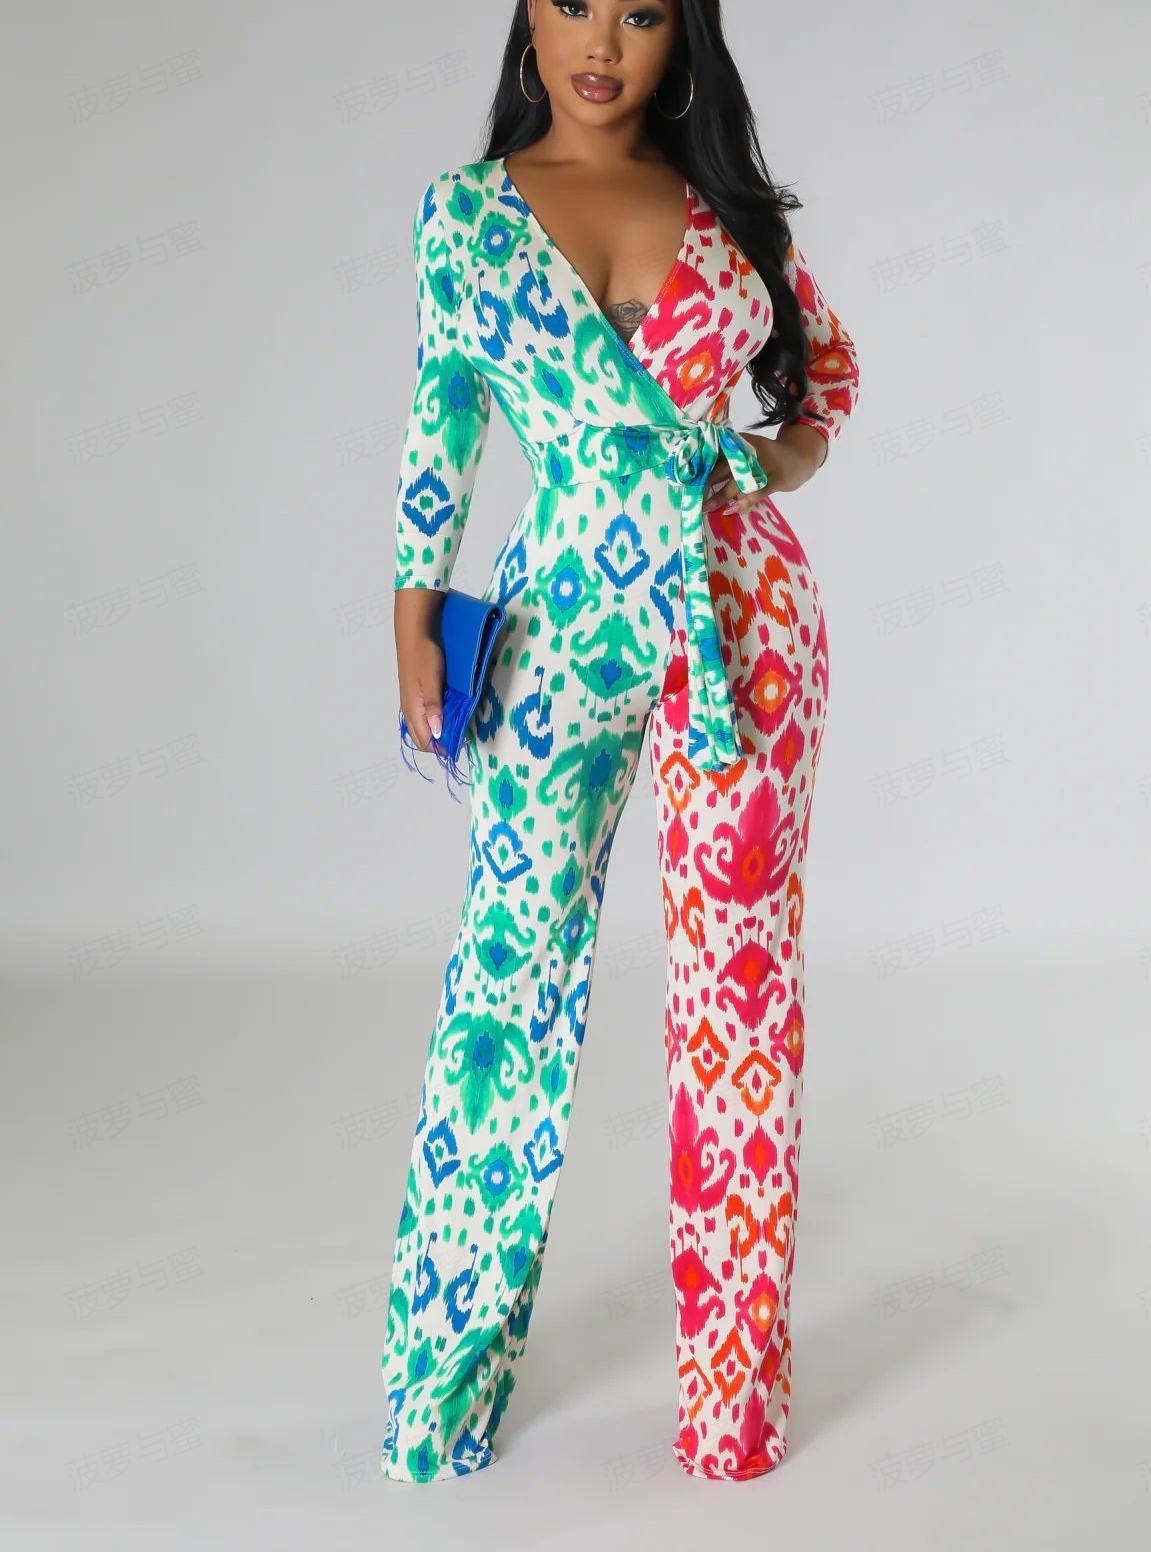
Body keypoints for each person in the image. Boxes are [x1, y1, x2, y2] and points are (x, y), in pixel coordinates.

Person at [382, 0, 860, 1484]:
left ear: (681, 36)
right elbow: (442, 419)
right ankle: (438, 1398)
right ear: (528, 15)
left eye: (643, 12)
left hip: (741, 614)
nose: (602, 43)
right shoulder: (466, 217)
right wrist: (412, 605)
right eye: (574, 2)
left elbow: (828, 380)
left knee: (739, 991)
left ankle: (733, 1411)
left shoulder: (726, 205)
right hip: (562, 617)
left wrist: (761, 459)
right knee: (506, 985)